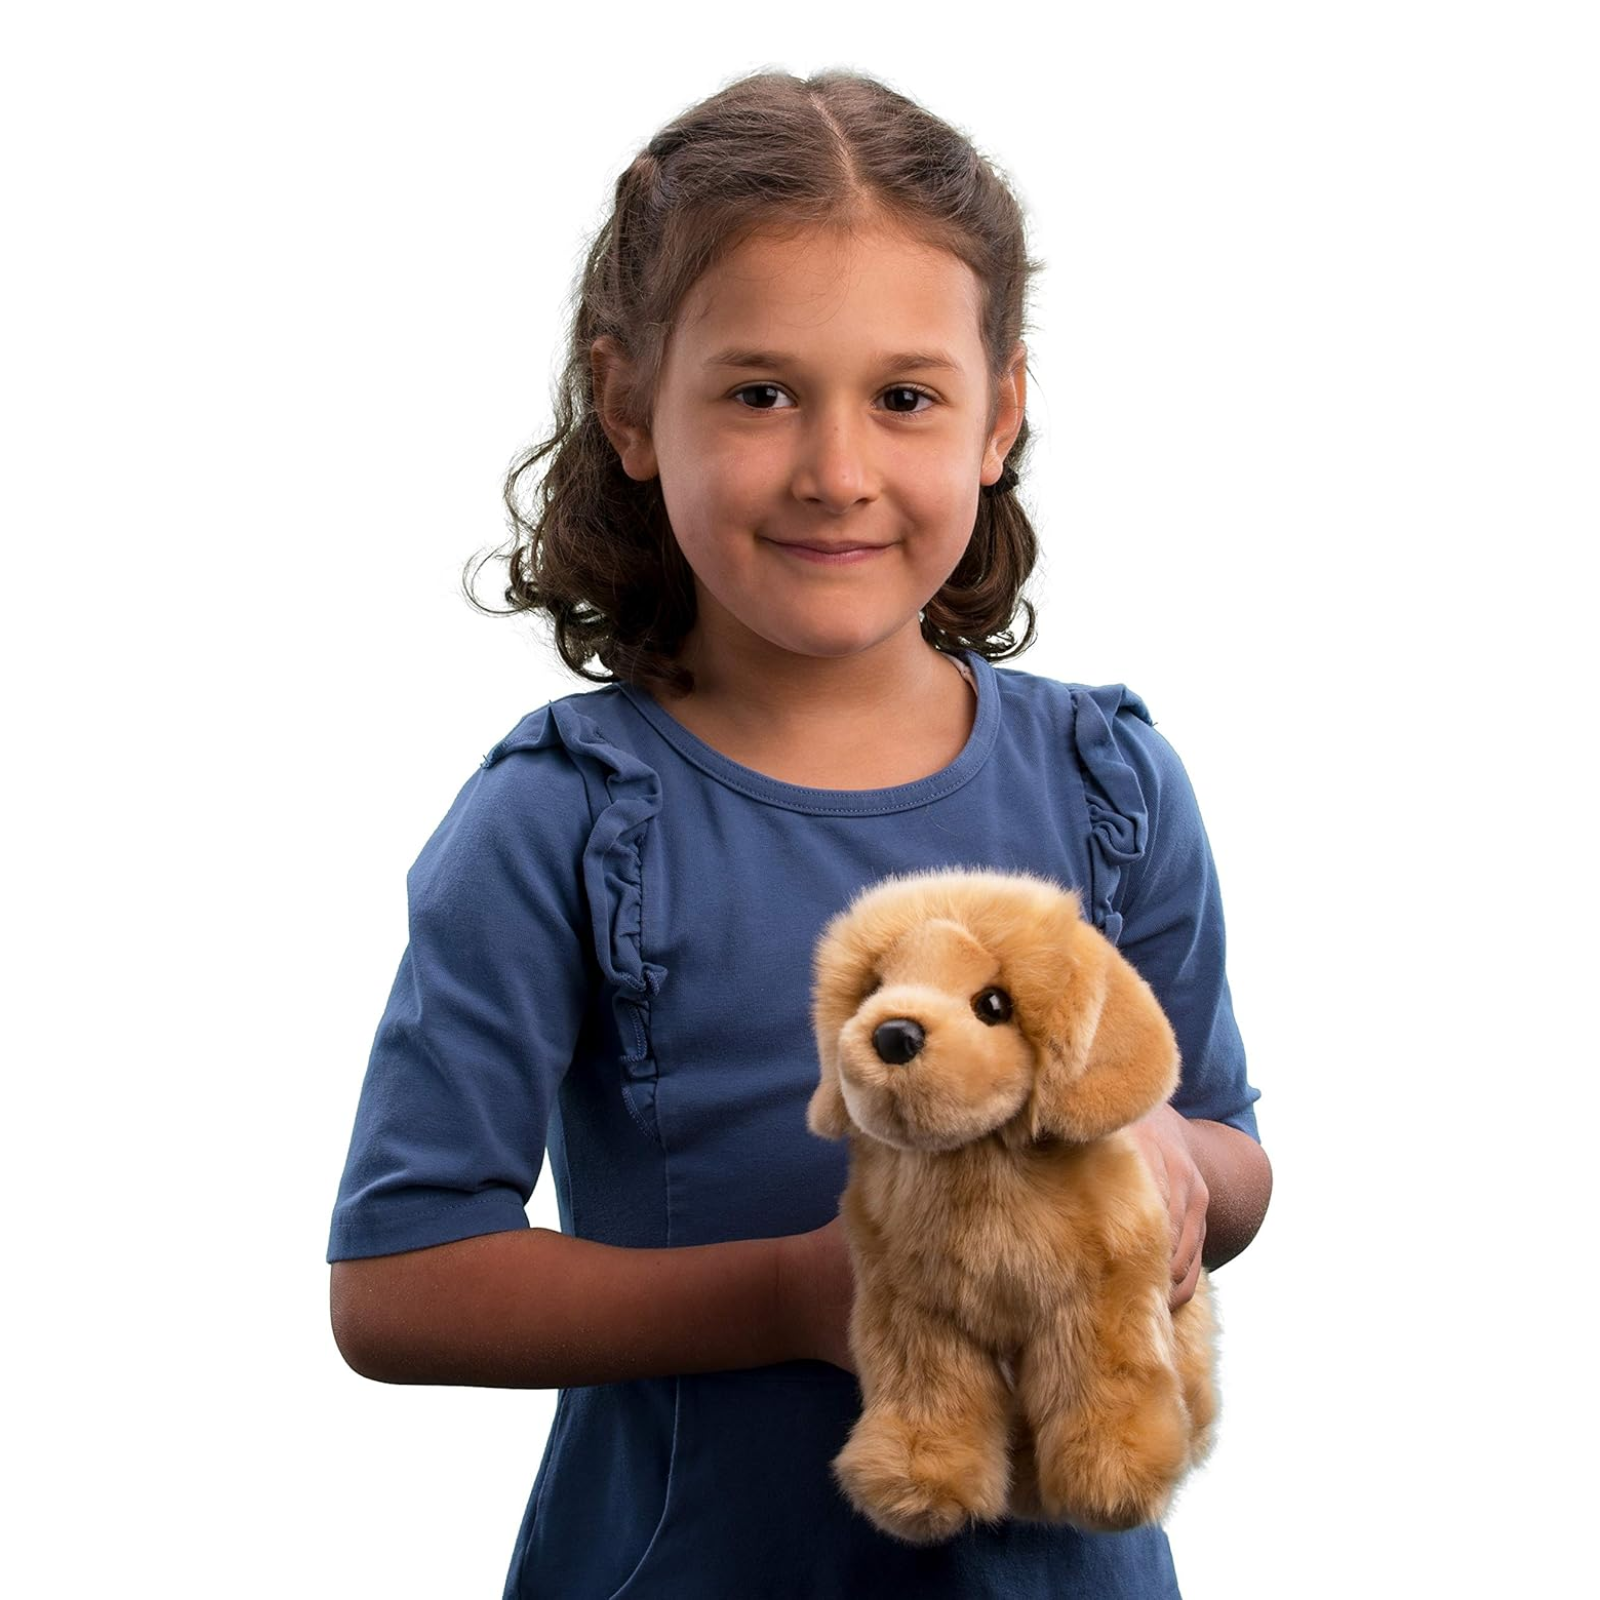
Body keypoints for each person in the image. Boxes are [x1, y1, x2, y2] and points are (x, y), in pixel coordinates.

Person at [326, 67, 1272, 1600]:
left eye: (904, 397)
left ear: (998, 415)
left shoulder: (1112, 783)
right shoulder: (560, 820)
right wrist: (788, 1298)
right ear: (631, 406)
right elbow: (396, 1284)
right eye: (762, 393)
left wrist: (1168, 1151)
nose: (837, 469)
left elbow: (1234, 1155)